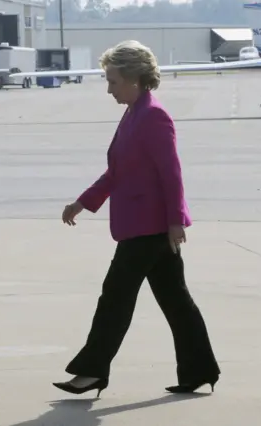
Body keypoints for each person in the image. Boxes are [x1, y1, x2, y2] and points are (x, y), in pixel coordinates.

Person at [54, 40, 220, 397]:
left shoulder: (153, 115)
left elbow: (170, 172)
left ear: (133, 78)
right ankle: (200, 370)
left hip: (151, 228)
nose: (108, 88)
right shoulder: (133, 113)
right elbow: (115, 172)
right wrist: (82, 203)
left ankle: (91, 371)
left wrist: (176, 221)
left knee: (114, 298)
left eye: (112, 81)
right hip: (143, 227)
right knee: (176, 301)